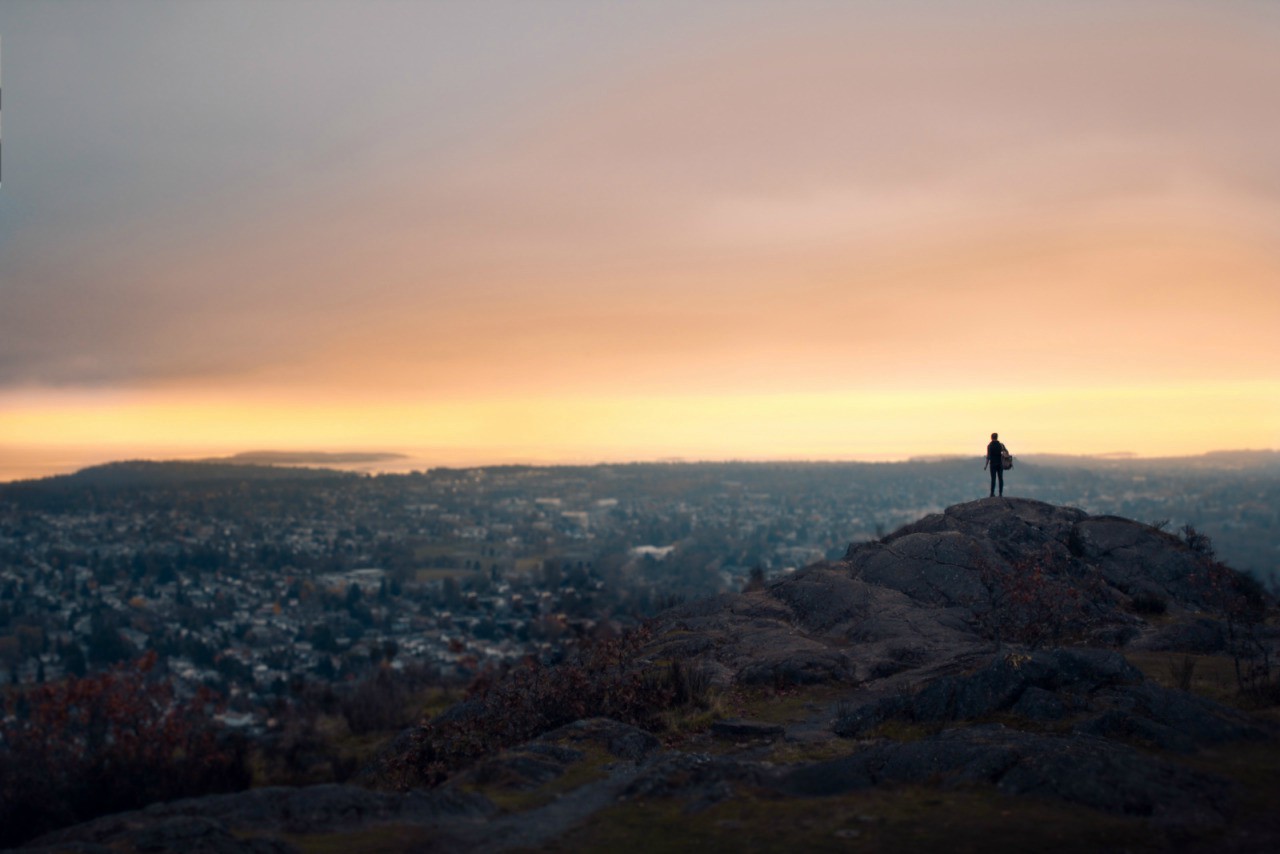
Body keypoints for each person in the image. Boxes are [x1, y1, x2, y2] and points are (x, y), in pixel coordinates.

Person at [984, 432, 1007, 497]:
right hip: (1000, 464)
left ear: (991, 438)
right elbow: (1006, 452)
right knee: (1000, 478)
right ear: (997, 437)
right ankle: (1000, 493)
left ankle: (992, 493)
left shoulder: (989, 446)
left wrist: (986, 465)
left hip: (993, 464)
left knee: (993, 479)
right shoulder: (1001, 445)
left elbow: (988, 456)